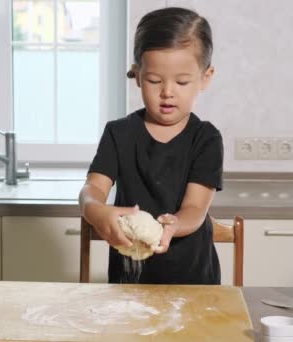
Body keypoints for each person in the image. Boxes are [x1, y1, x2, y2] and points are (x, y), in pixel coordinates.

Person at [78, 7, 223, 284]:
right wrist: (95, 210)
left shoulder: (206, 139)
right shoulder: (119, 134)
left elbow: (195, 208)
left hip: (194, 282)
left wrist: (172, 225)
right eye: (154, 80)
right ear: (137, 76)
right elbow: (93, 189)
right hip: (130, 280)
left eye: (182, 81)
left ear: (205, 77)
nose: (167, 91)